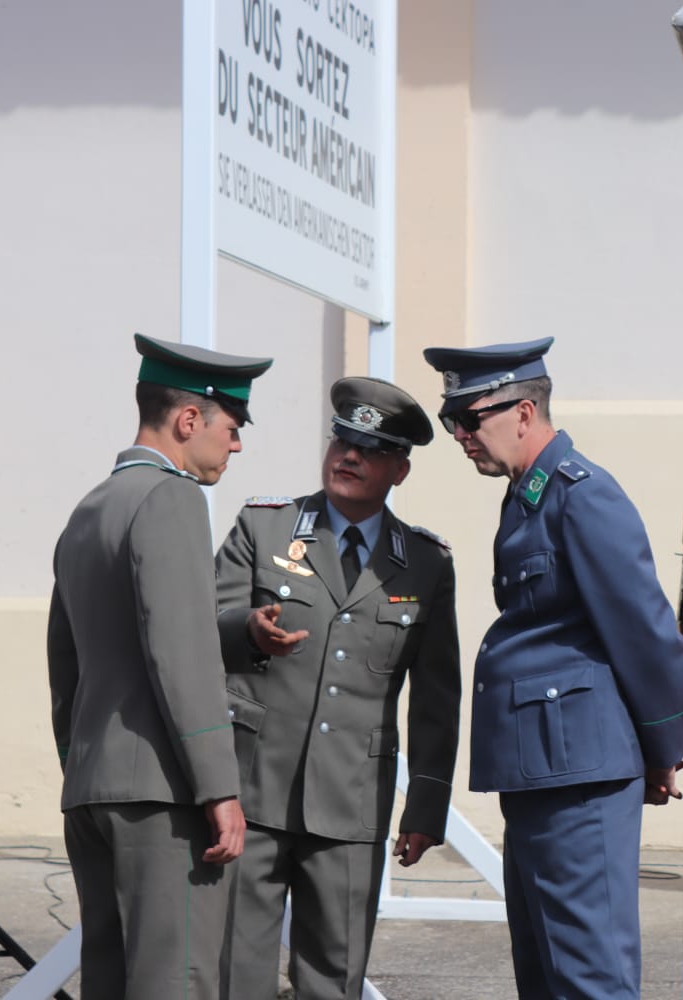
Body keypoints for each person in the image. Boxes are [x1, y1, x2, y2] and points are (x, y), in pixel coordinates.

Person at [420, 337, 683, 999]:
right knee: (544, 975)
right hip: (545, 772)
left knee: (588, 978)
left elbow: (645, 632)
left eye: (469, 418)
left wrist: (665, 749)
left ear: (523, 410)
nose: (459, 436)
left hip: (580, 780)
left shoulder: (582, 494)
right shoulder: (527, 498)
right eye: (450, 421)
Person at [213, 377, 461, 1000]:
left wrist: (426, 805)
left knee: (334, 977)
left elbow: (437, 695)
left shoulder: (427, 564)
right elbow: (201, 632)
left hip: (352, 804)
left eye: (370, 449)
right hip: (253, 794)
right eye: (342, 441)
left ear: (399, 470)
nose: (349, 457)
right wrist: (248, 630)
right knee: (236, 973)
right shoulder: (263, 528)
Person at [46, 333, 272, 999]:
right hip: (162, 796)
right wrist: (218, 788)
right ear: (187, 419)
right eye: (231, 428)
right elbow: (184, 656)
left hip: (93, 787)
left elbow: (65, 662)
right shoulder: (171, 499)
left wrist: (80, 761)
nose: (236, 445)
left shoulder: (88, 510)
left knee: (111, 983)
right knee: (176, 983)